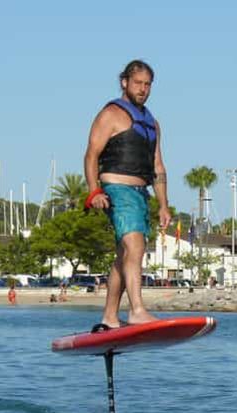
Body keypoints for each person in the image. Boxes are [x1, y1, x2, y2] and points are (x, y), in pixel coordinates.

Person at [84, 60, 171, 329]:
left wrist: (163, 205)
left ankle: (109, 317)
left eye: (147, 85)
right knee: (135, 246)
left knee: (124, 255)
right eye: (138, 83)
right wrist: (93, 191)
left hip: (140, 193)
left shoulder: (152, 124)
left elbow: (157, 166)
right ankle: (137, 310)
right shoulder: (111, 114)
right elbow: (91, 155)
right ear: (124, 82)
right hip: (117, 190)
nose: (143, 89)